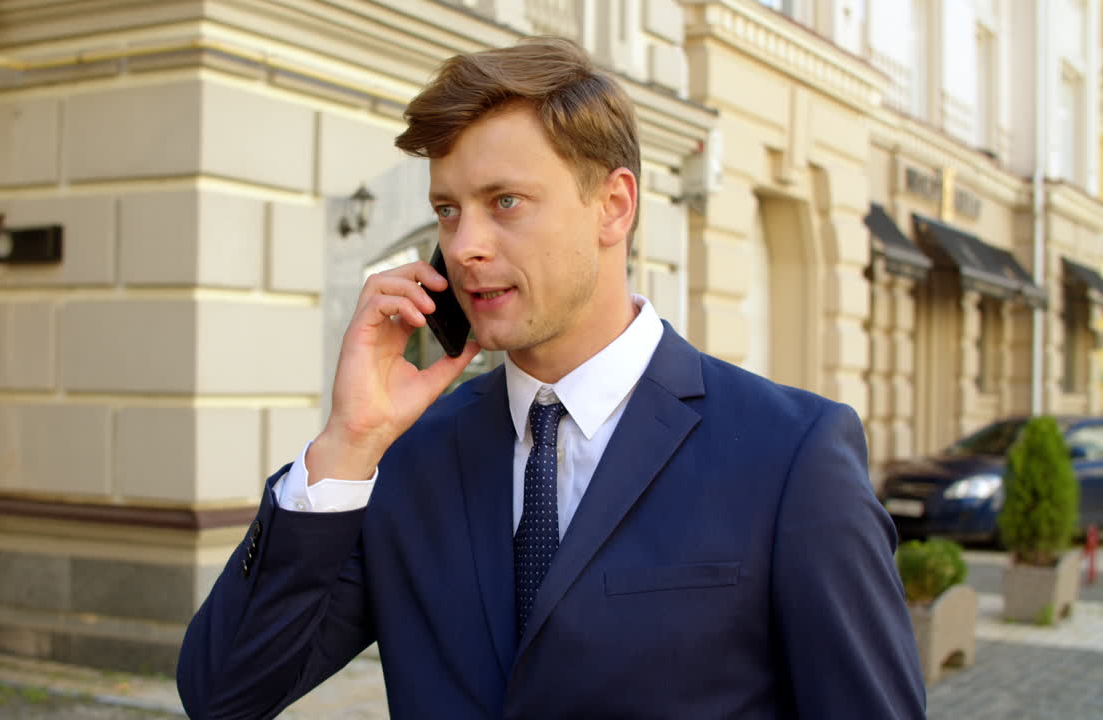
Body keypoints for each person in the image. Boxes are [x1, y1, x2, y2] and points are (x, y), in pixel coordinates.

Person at [177, 37, 926, 719]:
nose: (464, 247)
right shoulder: (408, 457)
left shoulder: (790, 455)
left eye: (505, 202)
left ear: (614, 206)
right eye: (448, 210)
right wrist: (347, 443)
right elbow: (222, 696)